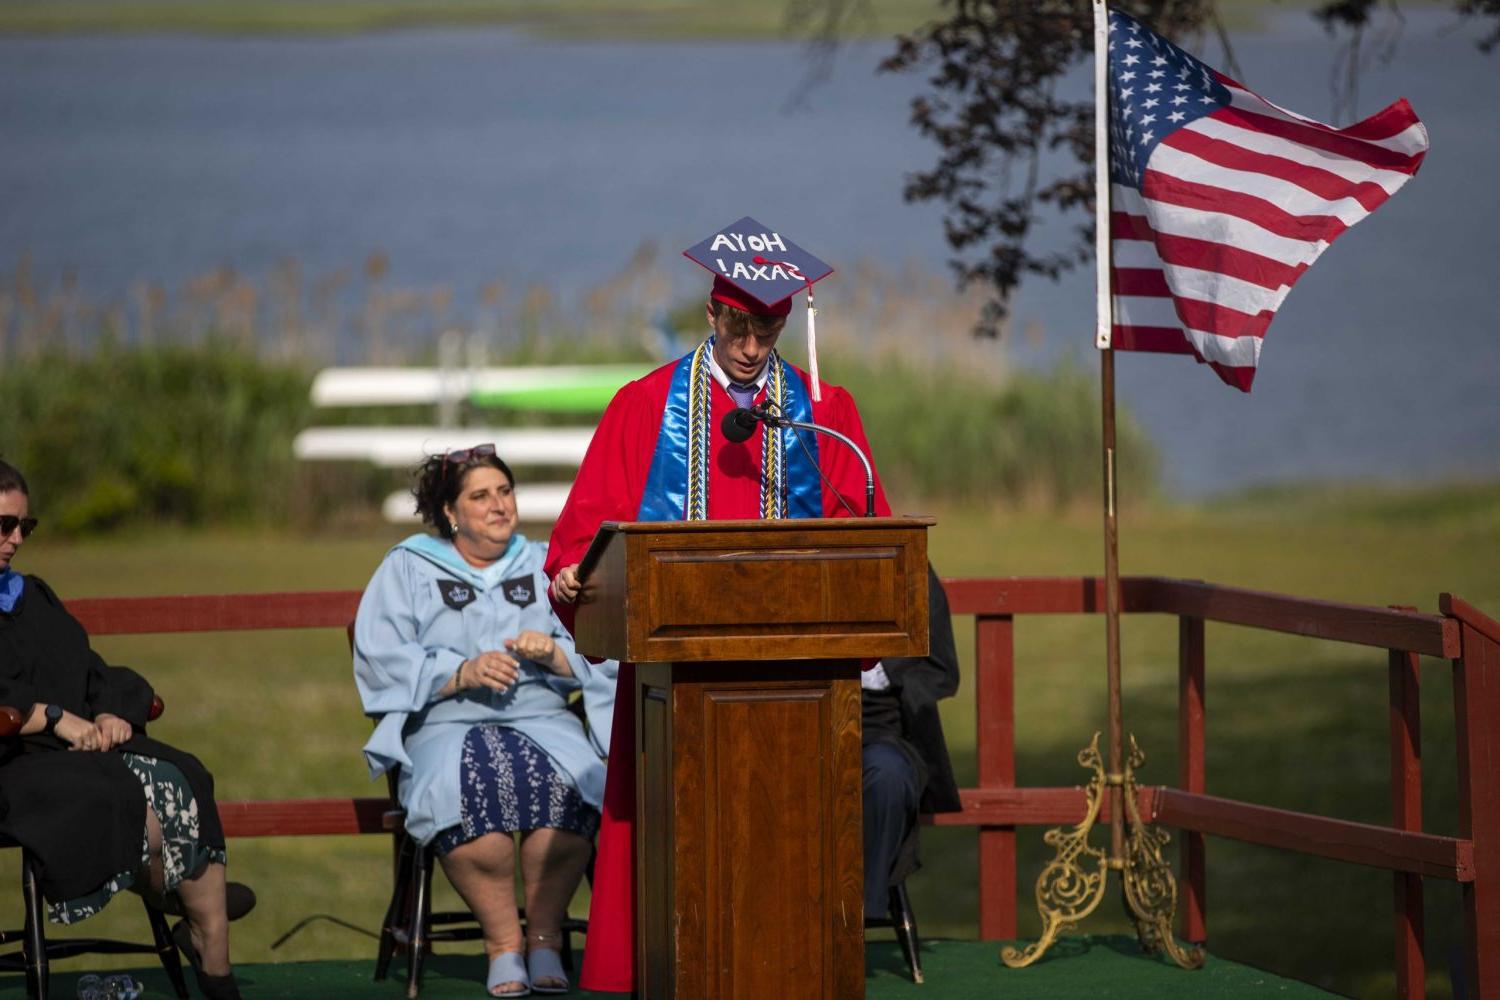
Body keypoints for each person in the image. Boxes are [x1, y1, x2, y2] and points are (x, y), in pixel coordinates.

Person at [544, 218, 892, 994]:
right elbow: (583, 534)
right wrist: (572, 575)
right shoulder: (644, 405)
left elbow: (860, 531)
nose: (749, 343)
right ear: (710, 313)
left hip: (798, 685)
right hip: (676, 682)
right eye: (736, 324)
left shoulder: (822, 411)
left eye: (765, 326)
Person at [354, 444, 617, 998]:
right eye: (481, 496)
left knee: (580, 783)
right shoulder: (409, 566)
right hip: (446, 722)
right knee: (467, 793)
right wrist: (458, 671)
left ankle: (544, 938)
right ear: (450, 512)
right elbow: (380, 654)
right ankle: (503, 945)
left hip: (541, 714)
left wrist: (554, 655)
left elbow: (602, 650)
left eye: (505, 491)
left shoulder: (547, 567)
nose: (499, 505)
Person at [0, 459, 250, 1000]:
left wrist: (113, 708)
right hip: (10, 761)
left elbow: (85, 665)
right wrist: (52, 718)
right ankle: (191, 902)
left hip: (70, 751)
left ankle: (215, 960)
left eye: (26, 526)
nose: (16, 539)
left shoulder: (31, 595)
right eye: (4, 525)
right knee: (121, 793)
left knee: (183, 771)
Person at [861, 565, 962, 918]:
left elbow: (942, 669)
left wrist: (884, 671)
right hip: (791, 723)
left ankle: (860, 916)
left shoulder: (903, 560)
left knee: (888, 775)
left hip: (881, 727)